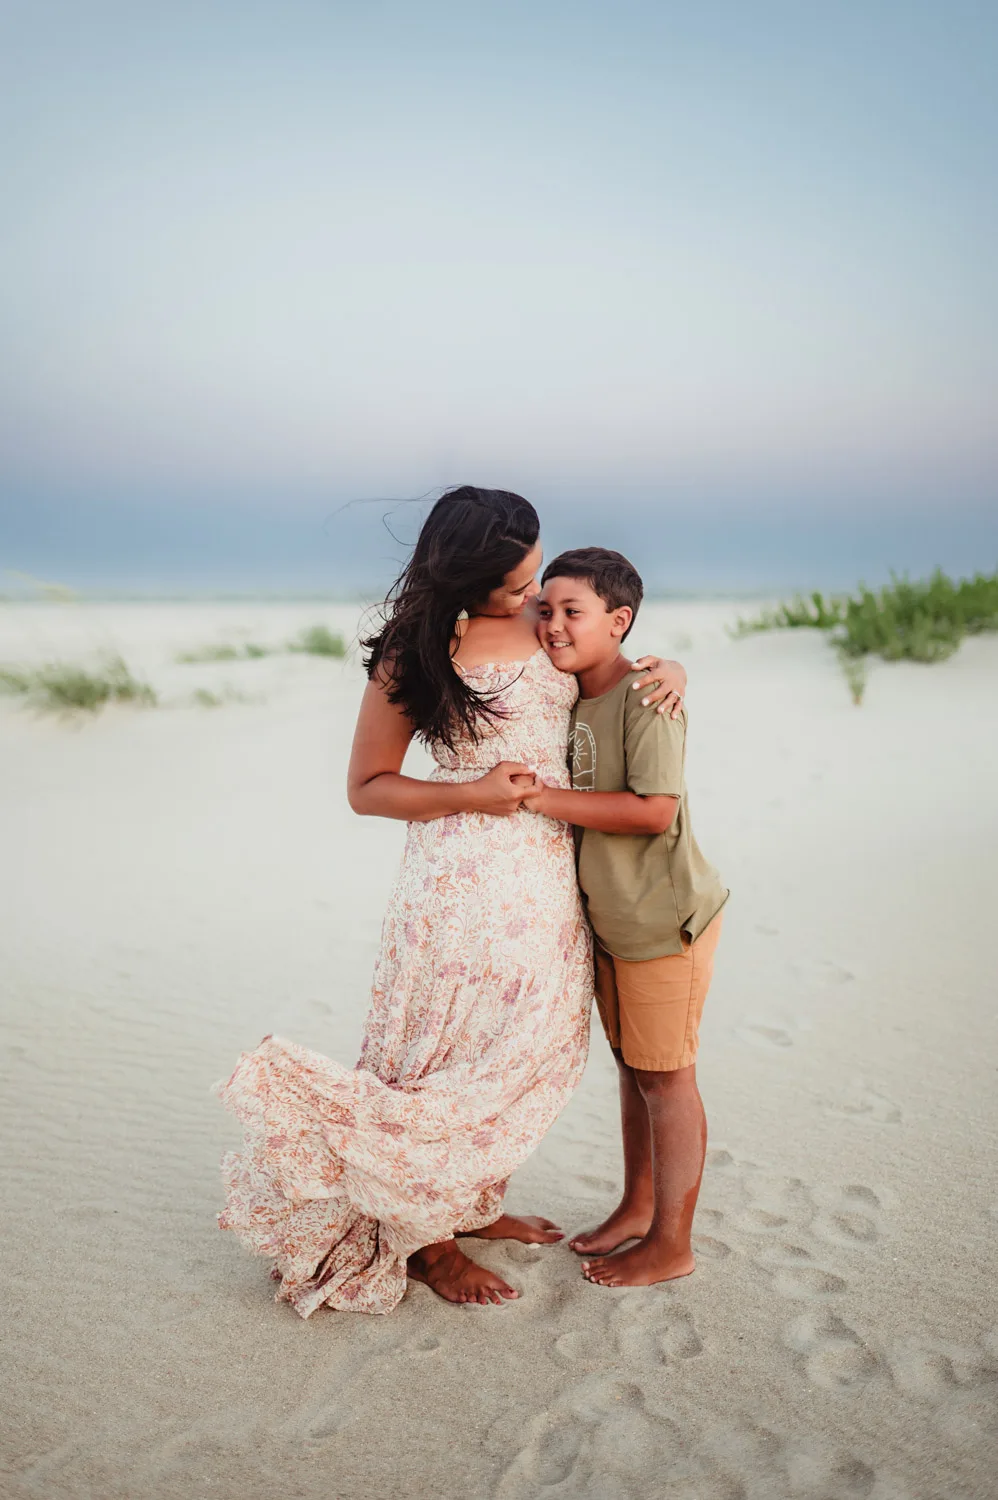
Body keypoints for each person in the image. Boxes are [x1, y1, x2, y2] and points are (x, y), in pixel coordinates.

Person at [215, 489, 687, 1314]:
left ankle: (468, 1200)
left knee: (524, 1048)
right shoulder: (418, 649)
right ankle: (426, 1244)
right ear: (465, 573)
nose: (533, 599)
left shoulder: (549, 615)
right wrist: (471, 790)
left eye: (536, 578)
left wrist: (671, 669)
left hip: (546, 875)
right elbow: (367, 788)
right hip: (454, 882)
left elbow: (609, 649)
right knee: (439, 1054)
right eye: (514, 585)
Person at [524, 547, 728, 1287]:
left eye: (571, 612)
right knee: (634, 1071)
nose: (551, 625)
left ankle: (673, 1244)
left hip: (660, 919)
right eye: (544, 609)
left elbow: (654, 810)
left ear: (620, 622)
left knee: (667, 1080)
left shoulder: (646, 696)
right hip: (611, 919)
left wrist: (542, 800)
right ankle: (639, 1208)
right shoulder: (572, 689)